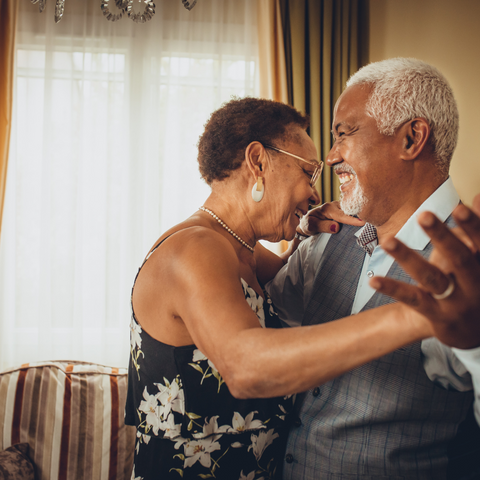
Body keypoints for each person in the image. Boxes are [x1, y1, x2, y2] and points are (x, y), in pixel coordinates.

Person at [124, 97, 453, 480]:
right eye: (308, 173)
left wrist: (302, 235)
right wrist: (415, 313)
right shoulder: (194, 249)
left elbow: (282, 303)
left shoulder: (242, 251)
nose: (315, 194)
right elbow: (247, 367)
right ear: (258, 161)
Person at [266, 58, 480, 479]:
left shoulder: (471, 262)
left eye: (344, 133)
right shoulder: (325, 238)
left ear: (412, 138)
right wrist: (292, 232)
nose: (330, 158)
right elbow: (264, 320)